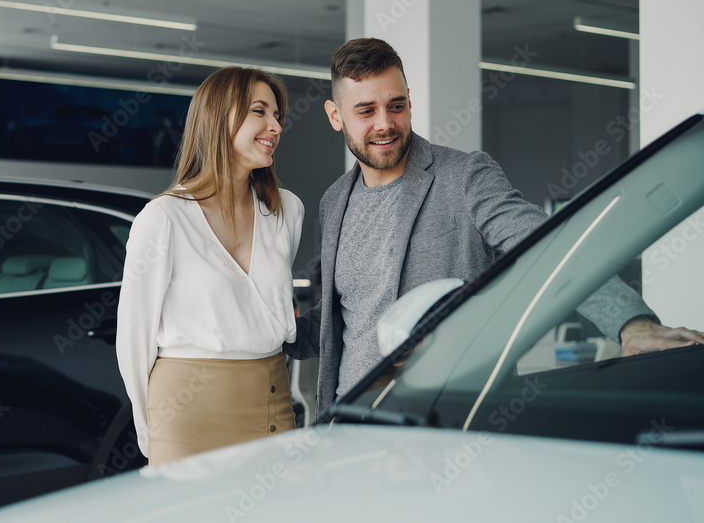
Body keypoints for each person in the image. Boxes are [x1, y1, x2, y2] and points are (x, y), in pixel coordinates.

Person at [285, 37, 704, 419]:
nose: (385, 124)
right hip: (351, 420)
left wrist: (631, 324)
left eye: (396, 105)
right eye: (365, 111)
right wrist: (264, 323)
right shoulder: (335, 200)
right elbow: (345, 316)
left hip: (445, 419)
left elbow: (549, 247)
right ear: (335, 115)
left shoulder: (464, 176)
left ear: (410, 101)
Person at [117, 67, 304, 465]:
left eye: (277, 116)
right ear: (218, 117)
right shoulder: (164, 217)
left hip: (271, 402)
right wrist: (152, 431)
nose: (275, 126)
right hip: (185, 415)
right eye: (260, 111)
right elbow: (133, 339)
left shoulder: (286, 210)